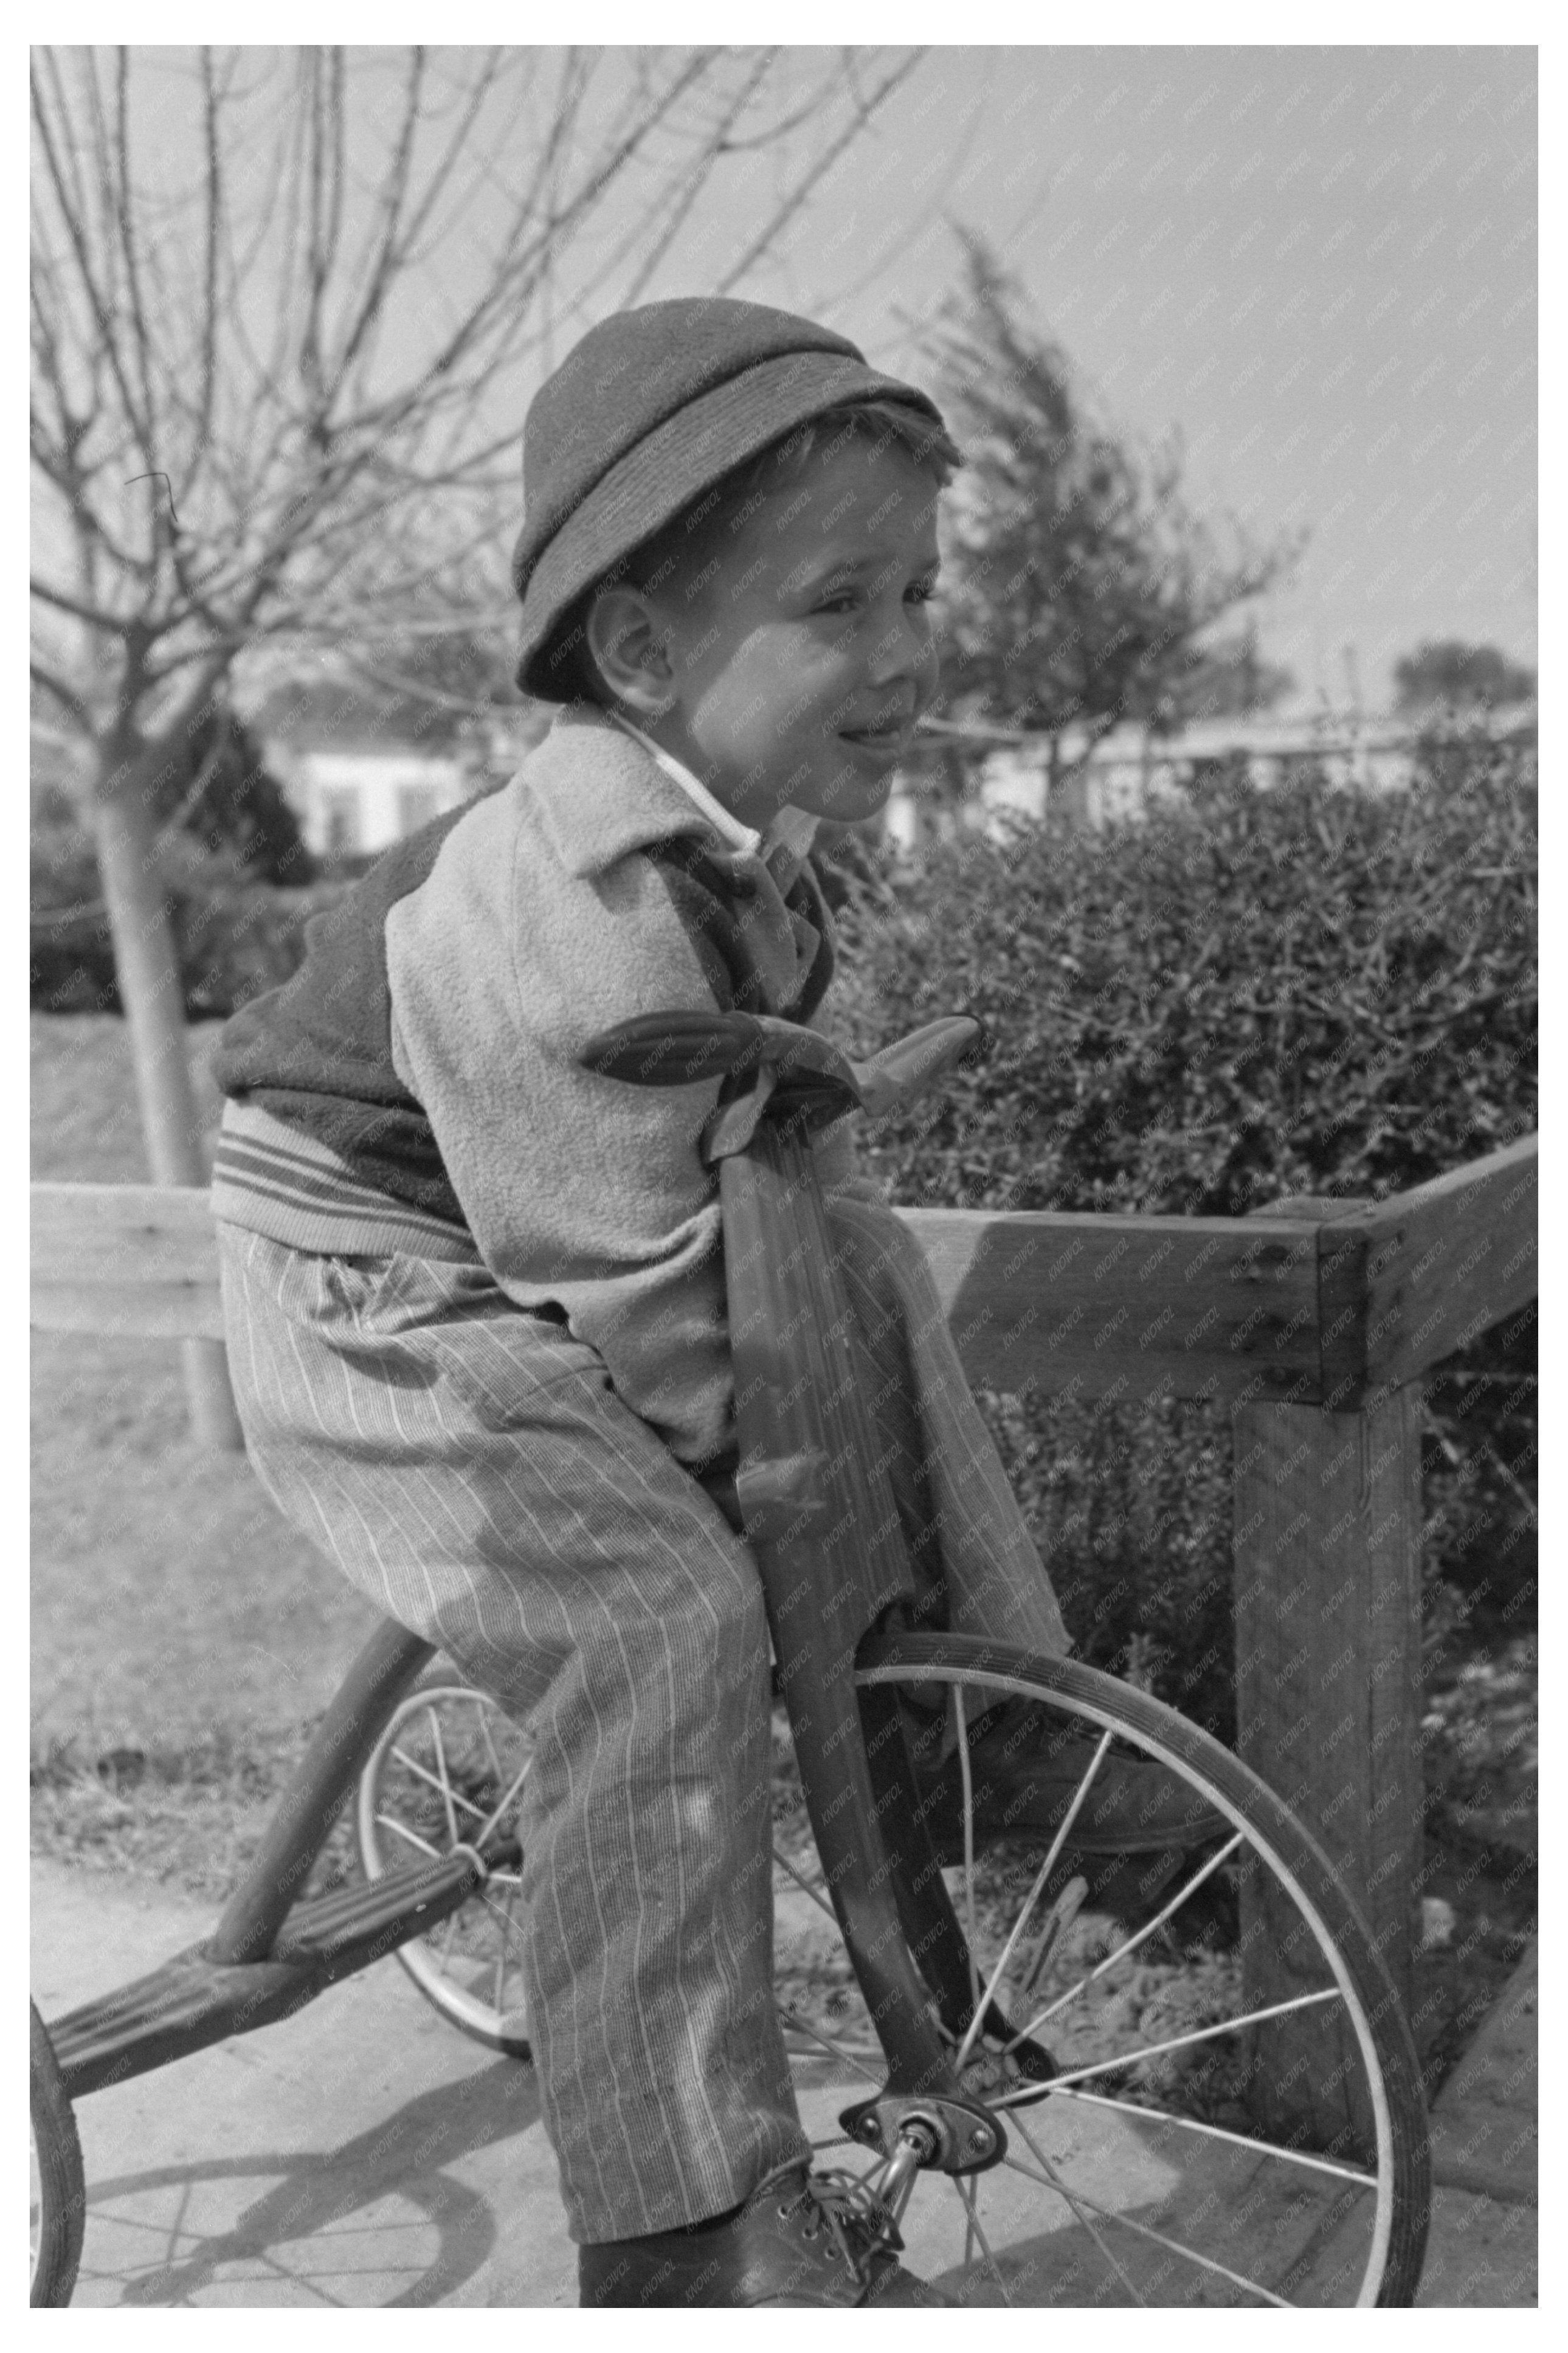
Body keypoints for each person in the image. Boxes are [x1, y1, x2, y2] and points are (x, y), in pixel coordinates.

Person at [211, 297, 1207, 2307]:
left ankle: (979, 1775)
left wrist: (855, 1425)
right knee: (669, 1616)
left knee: (877, 1324)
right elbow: (616, 1276)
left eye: (917, 591)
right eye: (838, 605)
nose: (905, 651)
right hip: (371, 1284)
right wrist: (783, 1506)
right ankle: (675, 2228)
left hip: (526, 1233)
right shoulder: (568, 908)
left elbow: (742, 1182)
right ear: (645, 656)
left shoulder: (748, 855)